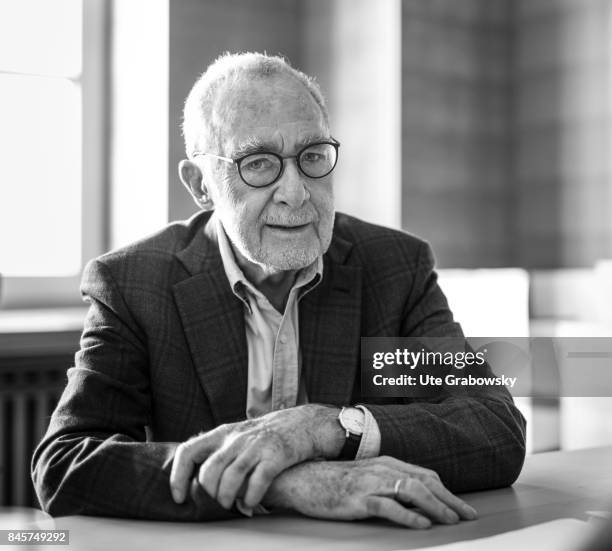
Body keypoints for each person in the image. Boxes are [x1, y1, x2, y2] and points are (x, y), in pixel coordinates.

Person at [32, 52, 526, 528]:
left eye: (312, 156)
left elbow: (495, 427)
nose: (296, 192)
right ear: (201, 185)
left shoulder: (394, 267)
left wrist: (324, 427)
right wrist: (285, 482)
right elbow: (66, 463)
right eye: (260, 163)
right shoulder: (134, 283)